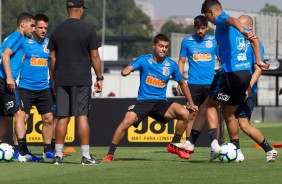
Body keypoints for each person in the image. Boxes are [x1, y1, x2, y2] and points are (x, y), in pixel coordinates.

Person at [102, 34, 198, 162]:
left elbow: (182, 84)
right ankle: (110, 154)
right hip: (143, 101)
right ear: (154, 46)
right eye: (161, 46)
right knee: (126, 121)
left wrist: (191, 103)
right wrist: (126, 70)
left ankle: (174, 145)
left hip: (160, 103)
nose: (163, 49)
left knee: (185, 113)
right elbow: (129, 68)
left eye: (166, 47)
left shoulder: (171, 65)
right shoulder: (144, 60)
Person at [200, 0, 269, 161]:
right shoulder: (233, 38)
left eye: (207, 17)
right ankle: (237, 152)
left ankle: (215, 145)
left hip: (239, 81)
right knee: (228, 113)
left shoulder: (224, 20)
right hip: (241, 79)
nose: (208, 21)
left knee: (217, 108)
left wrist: (250, 85)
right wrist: (259, 60)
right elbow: (254, 41)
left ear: (210, 12)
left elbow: (232, 20)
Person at [48, 0, 103, 165]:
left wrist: (54, 79)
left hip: (62, 79)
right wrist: (100, 77)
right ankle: (86, 156)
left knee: (62, 117)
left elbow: (52, 58)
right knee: (82, 116)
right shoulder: (88, 30)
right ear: (80, 9)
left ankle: (57, 156)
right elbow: (94, 56)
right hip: (81, 79)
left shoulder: (57, 30)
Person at [229, 15, 278, 162]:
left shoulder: (255, 44)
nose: (238, 29)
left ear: (250, 27)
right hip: (234, 88)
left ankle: (269, 150)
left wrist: (248, 88)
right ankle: (236, 151)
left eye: (242, 26)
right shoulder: (236, 43)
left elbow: (258, 68)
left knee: (243, 124)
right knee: (230, 117)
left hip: (247, 90)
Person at [0, 12, 42, 162]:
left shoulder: (12, 37)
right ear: (22, 24)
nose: (34, 29)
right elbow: (5, 55)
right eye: (32, 25)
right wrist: (10, 77)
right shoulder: (18, 36)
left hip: (3, 79)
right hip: (5, 80)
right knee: (20, 114)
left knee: (5, 116)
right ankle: (22, 152)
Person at [176, 15, 218, 153]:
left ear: (207, 27)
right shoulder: (187, 41)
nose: (200, 31)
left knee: (211, 113)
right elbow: (181, 62)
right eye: (198, 28)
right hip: (193, 84)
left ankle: (214, 145)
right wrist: (179, 81)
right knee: (191, 115)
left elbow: (221, 59)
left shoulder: (213, 41)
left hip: (211, 84)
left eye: (203, 28)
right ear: (194, 27)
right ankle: (189, 144)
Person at [15, 13, 54, 160]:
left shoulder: (49, 44)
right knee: (22, 118)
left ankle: (47, 150)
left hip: (44, 88)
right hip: (25, 87)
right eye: (40, 27)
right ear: (34, 26)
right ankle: (18, 149)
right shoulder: (25, 42)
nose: (43, 30)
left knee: (49, 118)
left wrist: (54, 83)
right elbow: (17, 62)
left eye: (45, 28)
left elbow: (52, 65)